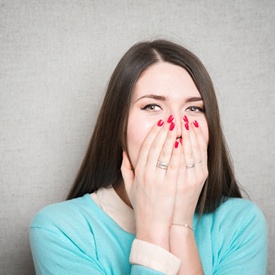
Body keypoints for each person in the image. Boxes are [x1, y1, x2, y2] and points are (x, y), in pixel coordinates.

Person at [30, 39, 267, 275]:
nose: (177, 129)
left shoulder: (241, 223)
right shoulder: (59, 230)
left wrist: (180, 227)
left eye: (194, 108)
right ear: (118, 126)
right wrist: (152, 228)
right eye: (152, 106)